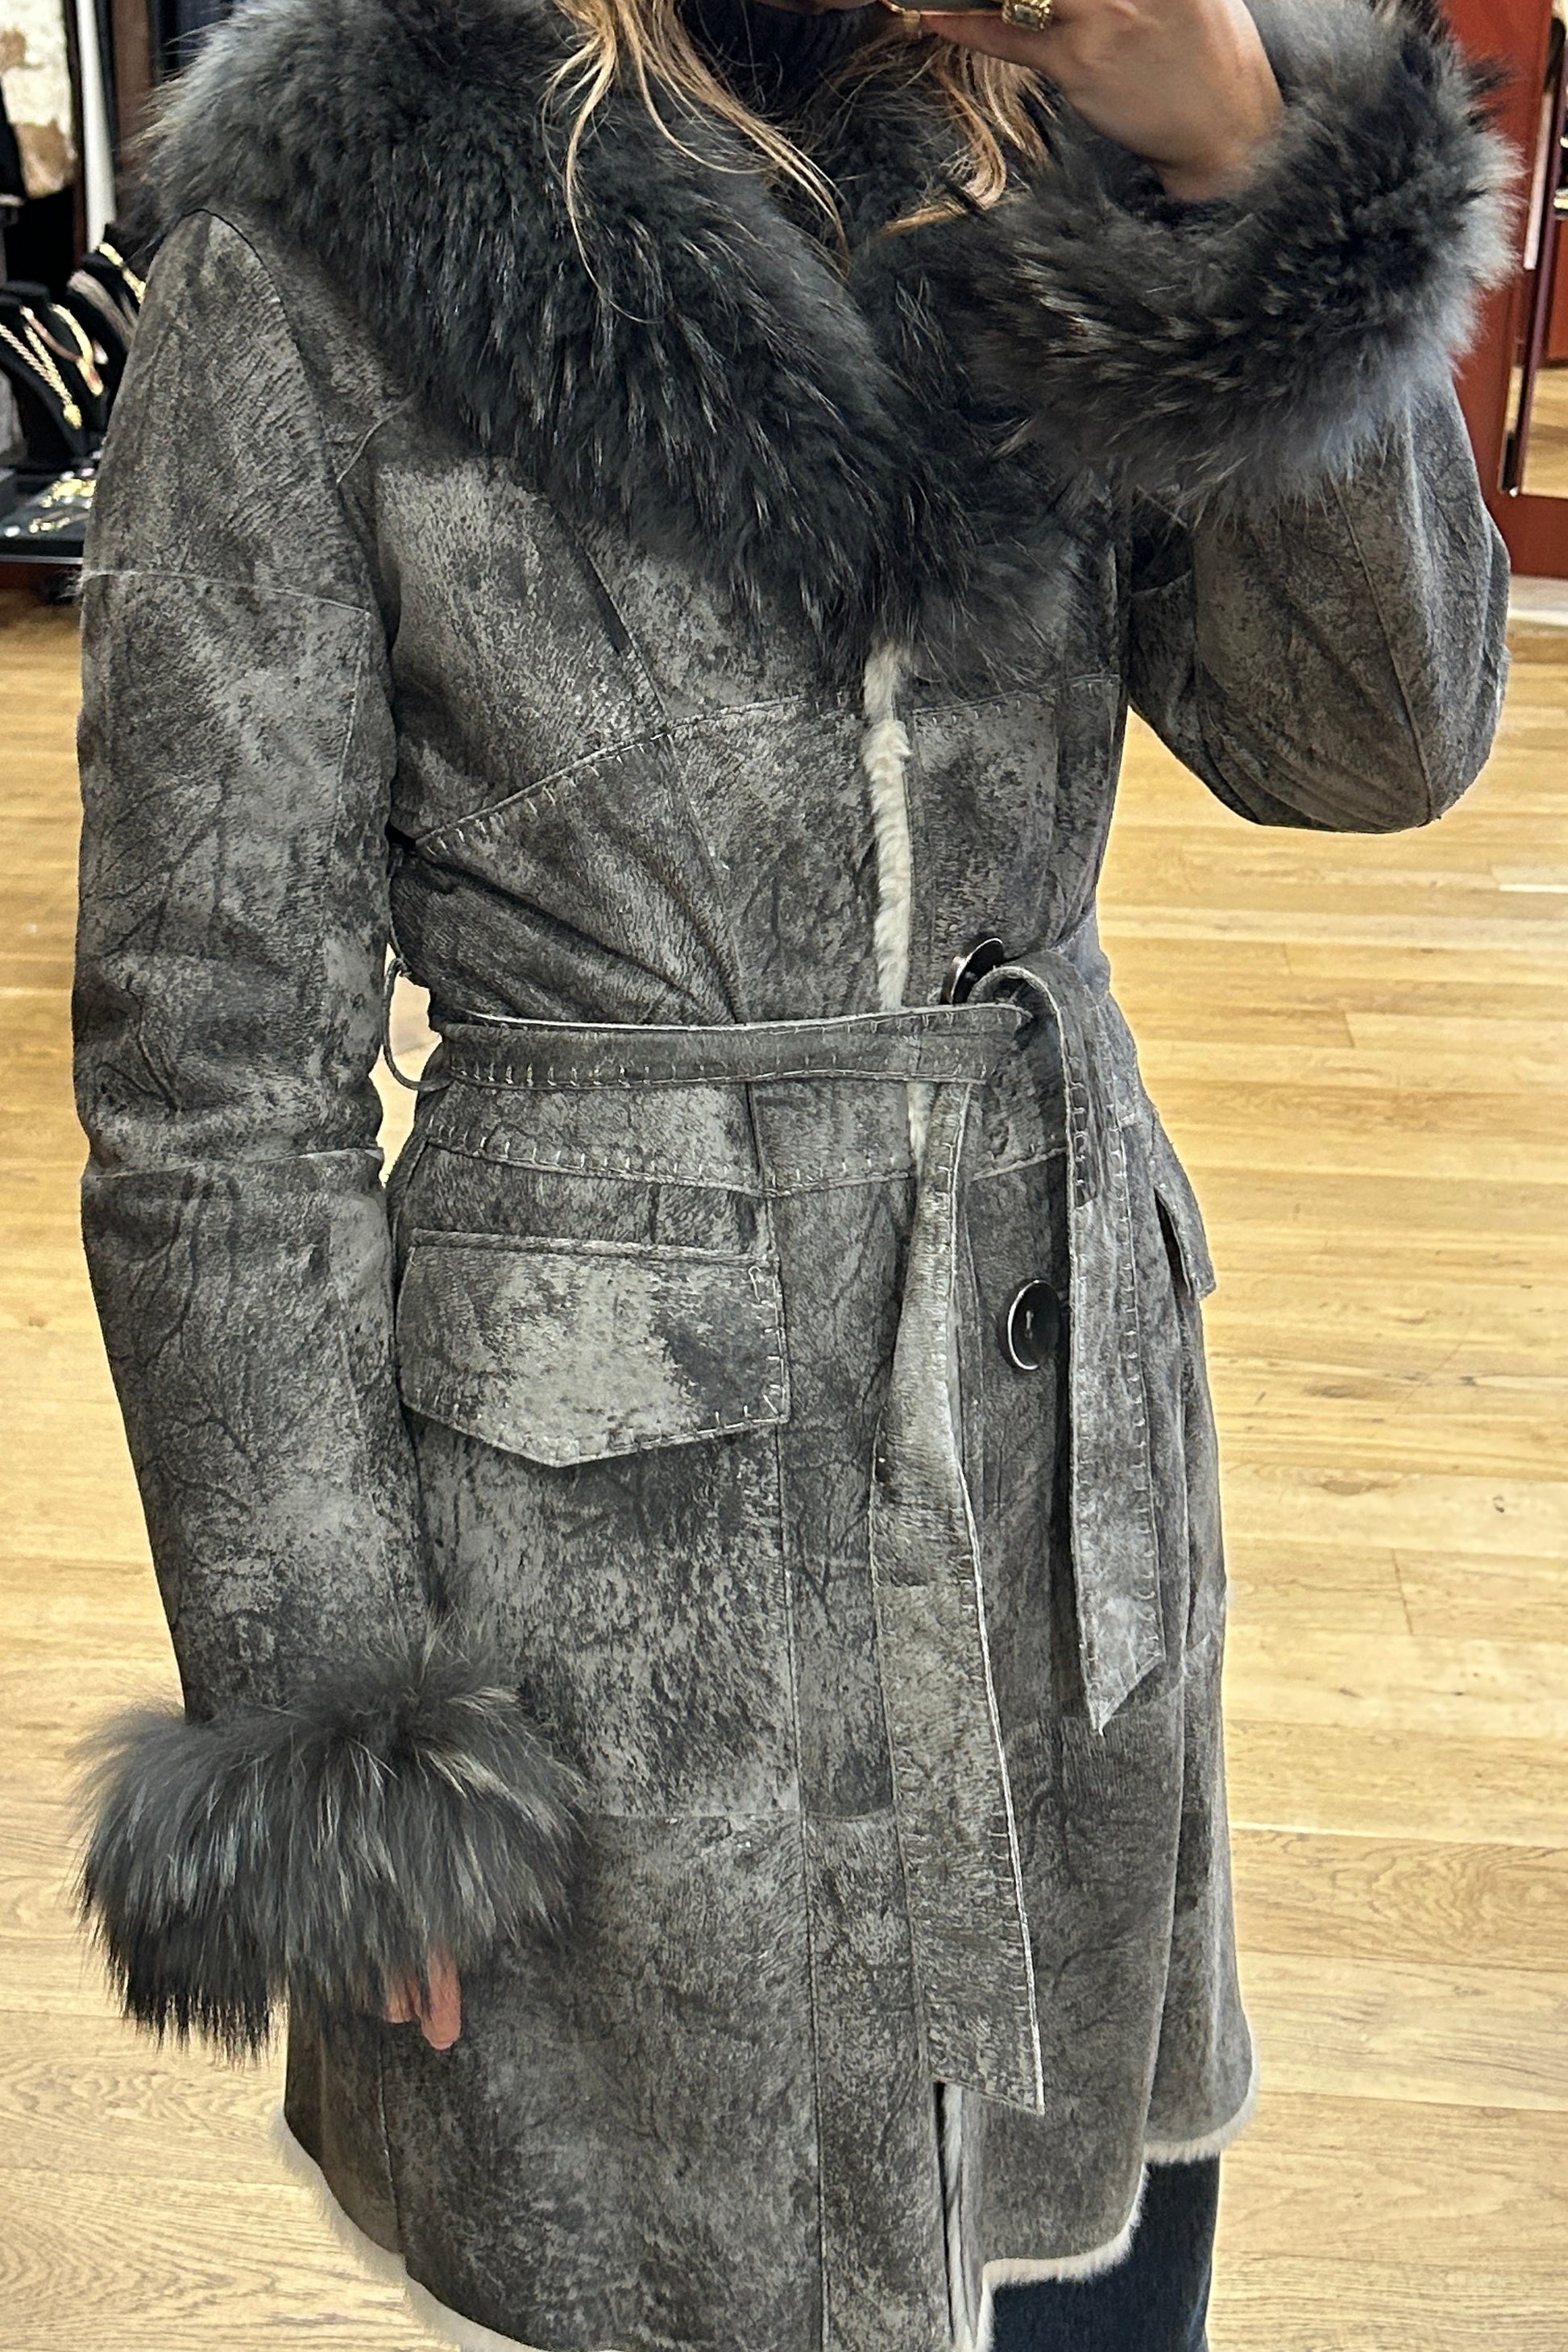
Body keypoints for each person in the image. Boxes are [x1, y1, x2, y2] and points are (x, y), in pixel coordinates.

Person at [71, 0, 1508, 2345]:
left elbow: (1373, 739)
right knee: (695, 2263)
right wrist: (334, 1708)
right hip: (619, 1546)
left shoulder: (1074, 139)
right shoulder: (341, 209)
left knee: (1081, 2273)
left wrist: (1257, 185)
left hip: (1052, 1458)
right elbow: (214, 1052)